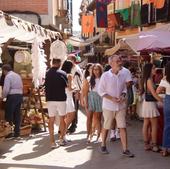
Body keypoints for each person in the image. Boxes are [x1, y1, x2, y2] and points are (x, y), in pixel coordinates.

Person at [98, 55, 134, 157]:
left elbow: (124, 89)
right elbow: (101, 91)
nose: (120, 62)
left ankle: (125, 149)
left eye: (120, 60)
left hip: (120, 106)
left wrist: (123, 96)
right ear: (111, 64)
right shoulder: (105, 75)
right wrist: (112, 98)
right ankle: (103, 145)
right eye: (117, 61)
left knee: (122, 127)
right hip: (108, 106)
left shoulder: (123, 74)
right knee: (106, 126)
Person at [45, 58, 67, 148]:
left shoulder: (47, 73)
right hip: (61, 98)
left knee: (51, 120)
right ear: (59, 63)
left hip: (50, 99)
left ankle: (52, 142)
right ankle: (61, 139)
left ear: (52, 63)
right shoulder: (62, 73)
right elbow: (66, 86)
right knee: (62, 119)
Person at [141, 63, 162, 152]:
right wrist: (162, 100)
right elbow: (153, 93)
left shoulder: (146, 79)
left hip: (147, 103)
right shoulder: (149, 80)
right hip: (150, 103)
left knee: (146, 123)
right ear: (149, 69)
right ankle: (154, 145)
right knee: (154, 125)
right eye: (153, 68)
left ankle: (147, 144)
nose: (155, 69)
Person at [83, 63, 103, 143]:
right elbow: (85, 92)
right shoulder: (88, 79)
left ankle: (99, 135)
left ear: (100, 70)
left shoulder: (103, 78)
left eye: (97, 69)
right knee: (89, 118)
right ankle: (88, 135)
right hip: (91, 98)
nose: (96, 71)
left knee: (98, 118)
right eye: (94, 69)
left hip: (100, 98)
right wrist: (86, 101)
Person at [1, 64, 23, 138]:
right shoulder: (17, 75)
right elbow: (21, 86)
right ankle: (17, 132)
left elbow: (6, 89)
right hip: (19, 95)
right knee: (17, 114)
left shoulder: (8, 76)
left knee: (9, 114)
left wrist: (2, 97)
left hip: (12, 96)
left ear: (4, 70)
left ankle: (9, 133)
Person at [156, 62, 170, 156]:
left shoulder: (165, 79)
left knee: (167, 127)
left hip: (168, 101)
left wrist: (165, 90)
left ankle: (165, 150)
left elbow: (157, 91)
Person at [67, 54, 83, 133]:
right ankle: (71, 124)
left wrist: (78, 92)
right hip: (70, 91)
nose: (68, 61)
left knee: (74, 109)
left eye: (69, 59)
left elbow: (79, 82)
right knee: (71, 109)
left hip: (74, 91)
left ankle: (73, 125)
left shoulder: (76, 69)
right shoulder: (70, 68)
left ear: (73, 60)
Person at [61, 60, 75, 140]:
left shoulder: (61, 74)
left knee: (65, 116)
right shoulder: (69, 75)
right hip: (68, 96)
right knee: (72, 114)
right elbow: (70, 88)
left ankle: (63, 133)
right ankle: (64, 133)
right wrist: (75, 88)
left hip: (63, 95)